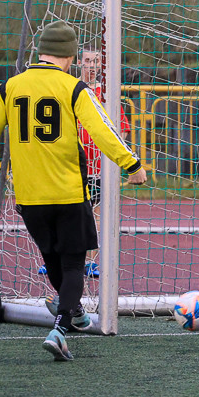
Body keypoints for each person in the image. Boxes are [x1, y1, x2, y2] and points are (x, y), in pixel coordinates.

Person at [0, 21, 147, 362]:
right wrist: (132, 165)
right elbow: (103, 130)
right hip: (68, 193)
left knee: (52, 259)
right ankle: (61, 328)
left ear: (40, 51)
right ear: (69, 56)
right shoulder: (74, 87)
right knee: (73, 266)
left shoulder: (10, 86)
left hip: (29, 198)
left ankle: (76, 314)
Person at [75, 48, 132, 278]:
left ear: (100, 66)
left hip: (97, 168)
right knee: (66, 213)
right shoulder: (71, 88)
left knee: (93, 214)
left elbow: (123, 129)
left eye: (95, 62)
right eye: (87, 60)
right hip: (70, 164)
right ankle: (58, 260)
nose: (90, 65)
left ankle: (90, 262)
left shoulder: (106, 94)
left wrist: (111, 157)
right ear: (79, 62)